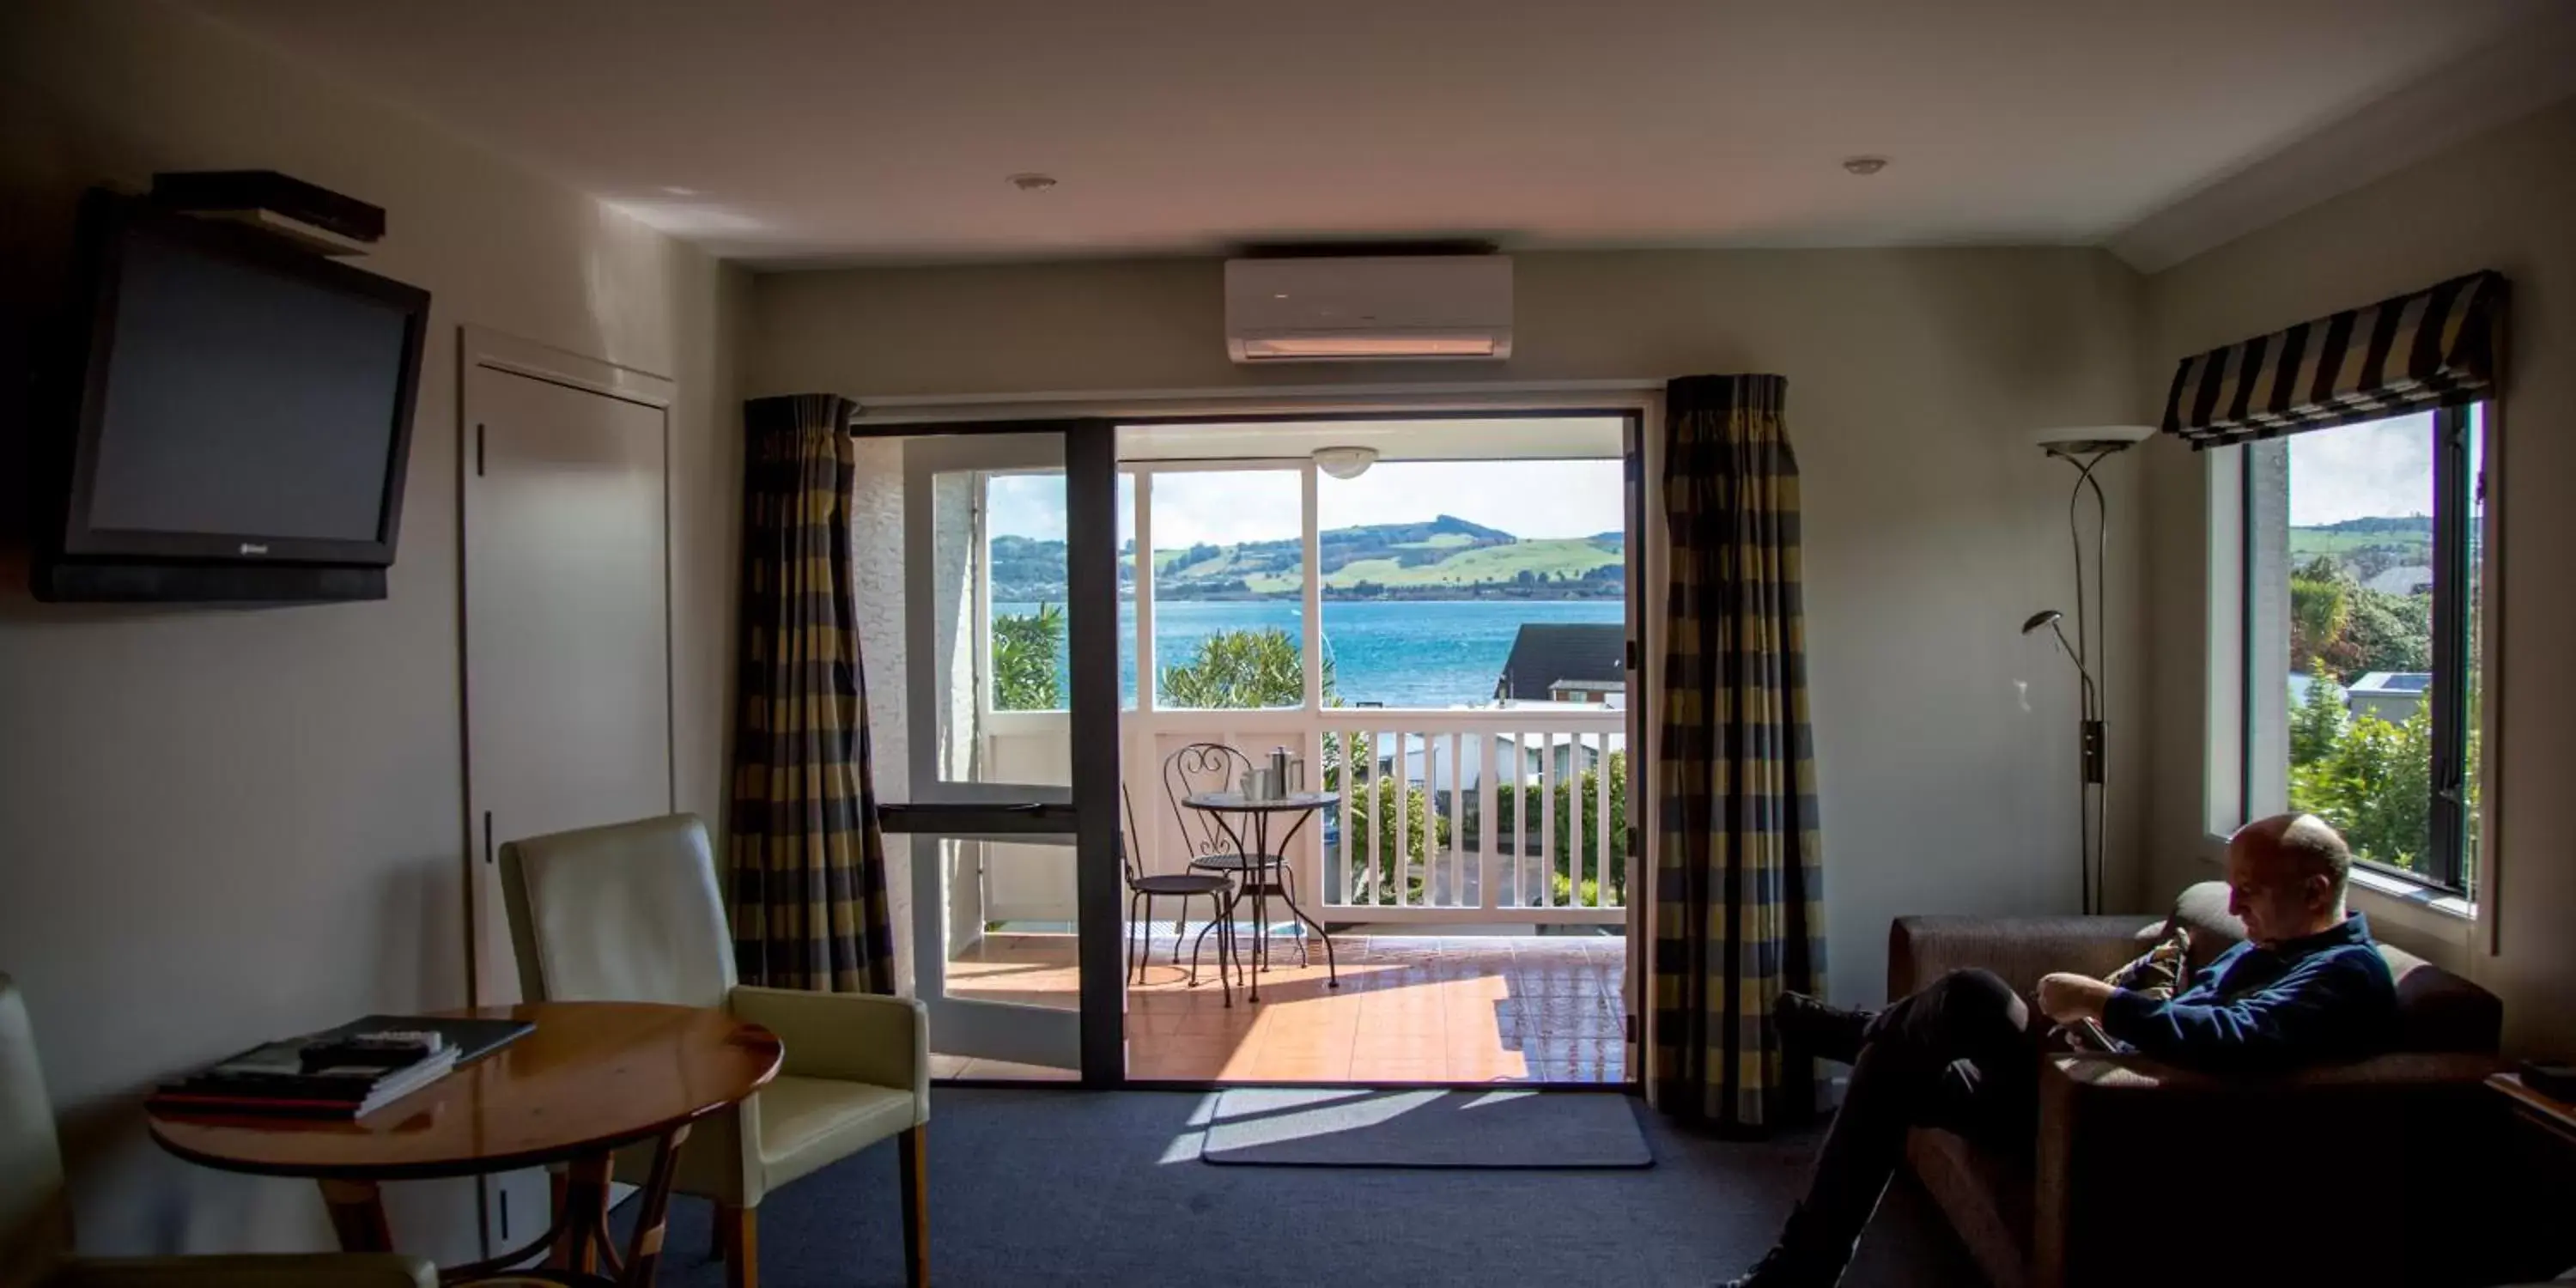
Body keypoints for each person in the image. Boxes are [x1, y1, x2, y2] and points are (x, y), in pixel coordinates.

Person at [1716, 813, 2398, 1288]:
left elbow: (2233, 1042)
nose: (2234, 902)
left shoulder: (2342, 977)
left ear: (2315, 891)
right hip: (2086, 1075)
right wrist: (2100, 1022)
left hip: (2113, 1120)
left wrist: (2100, 1001)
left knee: (1971, 995)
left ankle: (1860, 1028)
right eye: (2233, 885)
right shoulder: (2274, 946)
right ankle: (1799, 1272)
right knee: (1890, 1071)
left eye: (2250, 888)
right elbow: (2191, 1014)